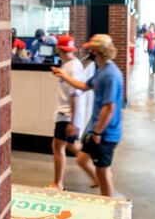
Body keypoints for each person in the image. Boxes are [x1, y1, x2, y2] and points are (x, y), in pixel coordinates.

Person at [52, 34, 123, 197]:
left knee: (103, 173)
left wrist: (97, 132)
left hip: (106, 132)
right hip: (96, 129)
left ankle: (109, 205)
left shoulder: (110, 75)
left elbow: (109, 107)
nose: (88, 51)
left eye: (91, 49)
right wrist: (63, 75)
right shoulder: (102, 70)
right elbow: (84, 86)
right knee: (83, 158)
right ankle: (101, 182)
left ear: (98, 51)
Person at [47, 35, 98, 191]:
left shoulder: (72, 67)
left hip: (67, 115)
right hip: (69, 115)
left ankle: (58, 184)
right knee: (72, 146)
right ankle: (98, 175)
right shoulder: (71, 64)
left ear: (59, 49)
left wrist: (72, 122)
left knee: (57, 148)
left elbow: (75, 95)